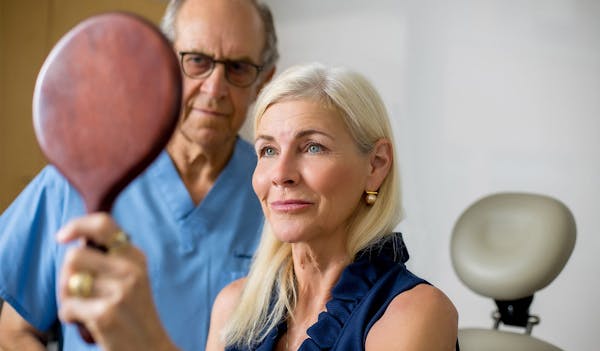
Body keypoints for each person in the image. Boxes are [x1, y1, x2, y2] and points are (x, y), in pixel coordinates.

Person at [53, 63, 458, 351]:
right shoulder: (234, 306)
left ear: (376, 165)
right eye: (267, 150)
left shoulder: (416, 315)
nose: (280, 173)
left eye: (312, 147)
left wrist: (149, 342)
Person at [0, 0, 278, 349]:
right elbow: (13, 331)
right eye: (197, 61)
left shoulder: (279, 193)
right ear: (162, 64)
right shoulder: (78, 176)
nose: (214, 88)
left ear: (263, 81)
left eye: (238, 68)